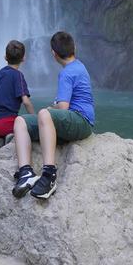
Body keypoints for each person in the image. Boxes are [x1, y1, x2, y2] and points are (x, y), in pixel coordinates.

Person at [11, 30, 94, 200]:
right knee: (20, 121)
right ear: (75, 48)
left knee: (44, 113)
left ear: (53, 54)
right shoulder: (79, 66)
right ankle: (26, 173)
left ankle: (49, 175)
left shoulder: (67, 73)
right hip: (69, 123)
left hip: (81, 121)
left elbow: (63, 107)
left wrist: (49, 109)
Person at [0, 40, 35, 139]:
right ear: (23, 59)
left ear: (5, 57)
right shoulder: (18, 75)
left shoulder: (1, 72)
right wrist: (34, 118)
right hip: (7, 124)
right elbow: (26, 102)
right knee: (31, 126)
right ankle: (11, 137)